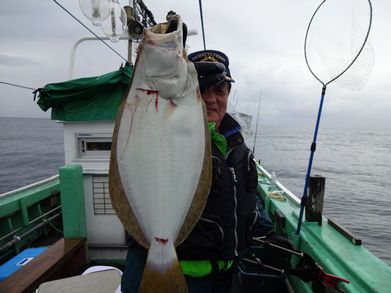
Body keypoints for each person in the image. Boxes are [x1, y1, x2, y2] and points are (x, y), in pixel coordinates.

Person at [121, 49, 274, 293]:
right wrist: (155, 57)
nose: (212, 98)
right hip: (181, 275)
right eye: (202, 90)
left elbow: (244, 196)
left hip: (226, 276)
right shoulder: (168, 137)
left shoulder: (236, 145)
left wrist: (265, 229)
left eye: (220, 90)